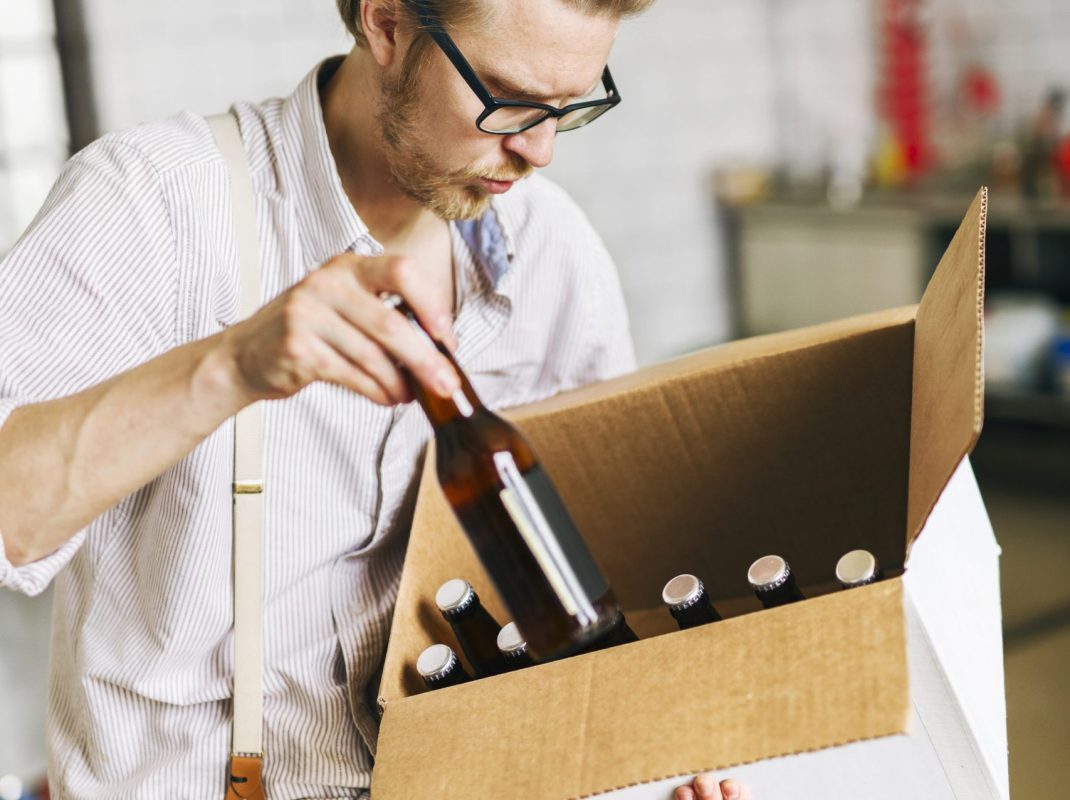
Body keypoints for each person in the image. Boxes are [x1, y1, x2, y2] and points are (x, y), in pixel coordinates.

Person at [0, 1, 750, 798]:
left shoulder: (555, 259)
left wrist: (659, 738)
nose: (538, 149)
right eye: (506, 98)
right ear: (387, 24)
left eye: (569, 107)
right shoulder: (150, 206)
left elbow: (604, 569)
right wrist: (228, 366)